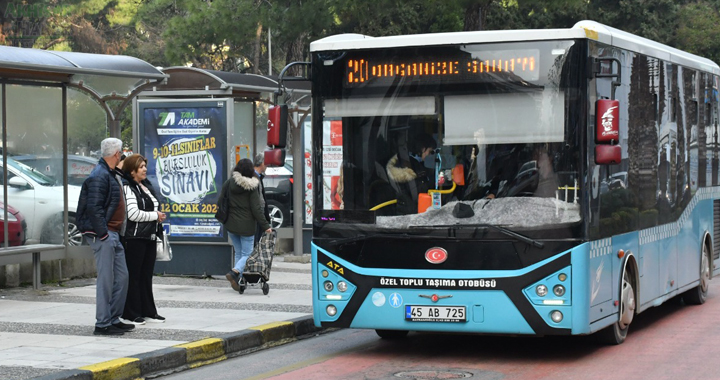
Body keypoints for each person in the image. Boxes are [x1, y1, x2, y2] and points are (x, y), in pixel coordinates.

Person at [76, 137, 134, 336]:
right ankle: (102, 323)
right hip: (104, 234)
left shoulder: (111, 173)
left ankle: (113, 318)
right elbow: (93, 208)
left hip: (114, 233)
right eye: (122, 154)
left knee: (122, 277)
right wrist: (103, 234)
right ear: (117, 154)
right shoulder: (99, 175)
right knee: (106, 280)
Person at [119, 154, 167, 325]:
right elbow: (132, 214)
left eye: (145, 166)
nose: (145, 169)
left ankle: (148, 311)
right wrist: (155, 215)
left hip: (150, 236)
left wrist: (157, 217)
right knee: (135, 276)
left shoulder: (145, 186)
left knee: (146, 275)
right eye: (141, 167)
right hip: (135, 238)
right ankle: (131, 313)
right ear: (132, 171)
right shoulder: (127, 187)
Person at [224, 158, 272, 291]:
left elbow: (221, 201)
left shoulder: (229, 183)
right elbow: (257, 208)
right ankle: (234, 272)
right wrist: (265, 225)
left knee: (239, 253)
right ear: (250, 170)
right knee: (248, 254)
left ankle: (237, 281)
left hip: (231, 225)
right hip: (247, 226)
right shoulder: (252, 185)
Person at [386, 132, 437, 214]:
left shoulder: (416, 164)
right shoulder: (411, 167)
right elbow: (418, 193)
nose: (430, 155)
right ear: (423, 149)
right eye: (430, 151)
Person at [253, 153, 270, 243]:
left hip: (258, 216)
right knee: (253, 245)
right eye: (266, 163)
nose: (267, 166)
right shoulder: (253, 177)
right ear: (262, 163)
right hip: (256, 218)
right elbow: (257, 201)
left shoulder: (258, 177)